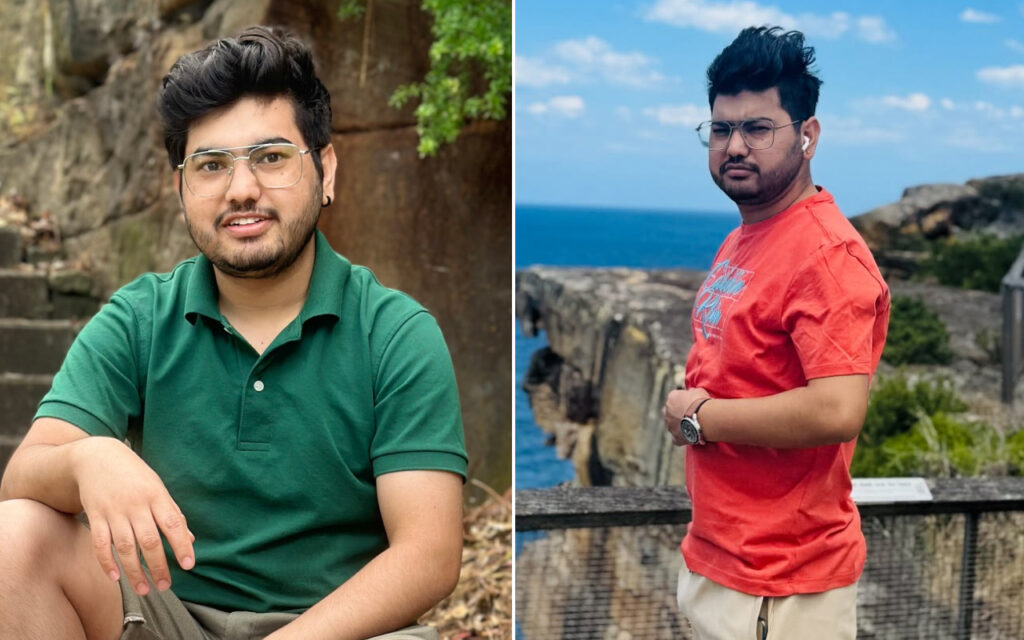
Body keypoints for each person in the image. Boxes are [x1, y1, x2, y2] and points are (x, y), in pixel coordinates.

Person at [0, 26, 467, 640]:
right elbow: (22, 479)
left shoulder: (395, 333)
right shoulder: (139, 319)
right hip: (166, 616)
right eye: (211, 165)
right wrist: (90, 457)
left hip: (338, 629)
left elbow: (428, 557)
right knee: (17, 539)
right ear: (182, 189)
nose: (241, 189)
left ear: (325, 169)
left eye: (271, 157)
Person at [662, 26, 890, 640]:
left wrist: (699, 418)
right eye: (721, 129)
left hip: (780, 585)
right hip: (724, 562)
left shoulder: (825, 254)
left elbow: (838, 409)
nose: (735, 145)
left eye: (758, 128)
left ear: (807, 135)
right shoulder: (745, 237)